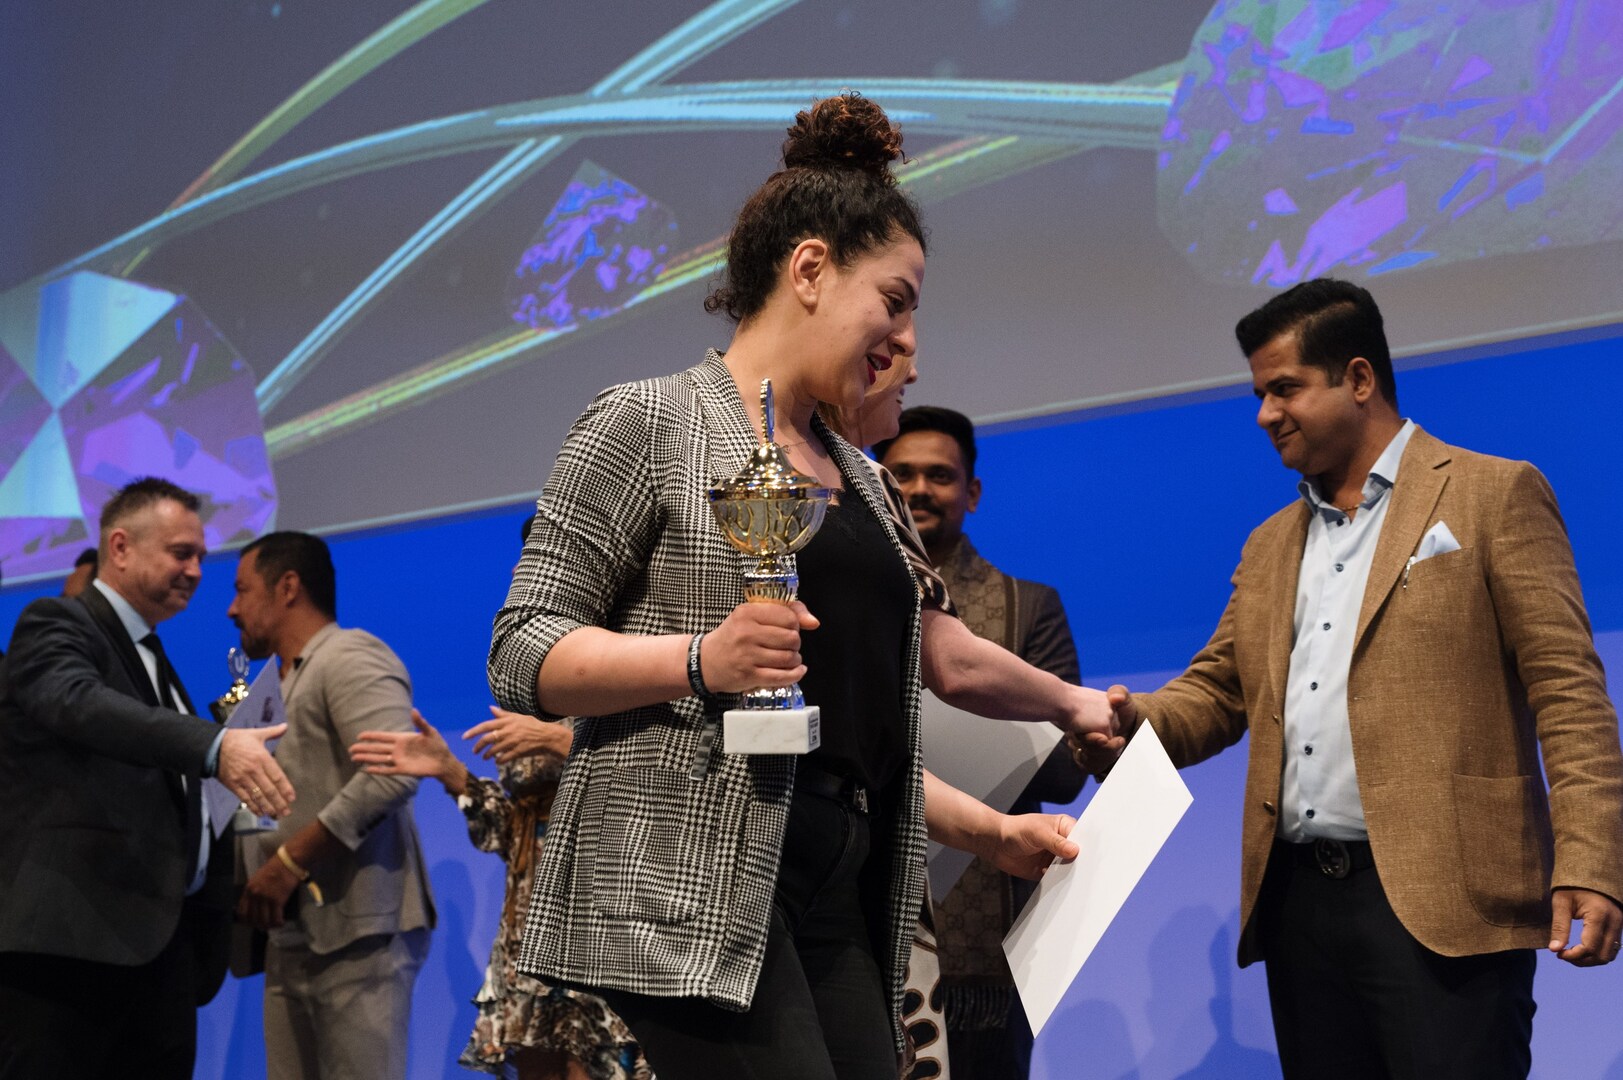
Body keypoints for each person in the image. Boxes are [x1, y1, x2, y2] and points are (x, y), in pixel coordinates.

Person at [490, 93, 1108, 1080]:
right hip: (689, 877)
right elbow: (523, 647)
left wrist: (1015, 796)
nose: (906, 338)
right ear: (810, 269)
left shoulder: (862, 476)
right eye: (894, 300)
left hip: (840, 878)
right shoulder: (647, 421)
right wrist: (703, 659)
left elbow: (924, 669)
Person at [1078, 279, 1623, 1079]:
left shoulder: (1491, 493)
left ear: (1358, 378)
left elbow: (1568, 692)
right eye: (1259, 395)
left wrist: (1590, 861)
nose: (1265, 414)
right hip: (1299, 907)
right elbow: (1218, 692)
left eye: (1284, 389)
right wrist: (1127, 723)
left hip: (1448, 901)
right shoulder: (1269, 543)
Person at [0, 476, 293, 1078]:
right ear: (120, 547)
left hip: (160, 956)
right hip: (73, 953)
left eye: (200, 557)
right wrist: (214, 746)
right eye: (181, 553)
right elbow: (78, 703)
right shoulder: (55, 622)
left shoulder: (153, 657)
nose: (196, 571)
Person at [875, 405, 1084, 1079]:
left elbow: (1065, 770)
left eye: (940, 476)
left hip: (989, 930)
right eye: (901, 474)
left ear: (972, 492)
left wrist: (953, 703)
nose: (918, 489)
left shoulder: (1028, 606)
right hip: (861, 902)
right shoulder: (848, 600)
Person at [229, 530, 436, 1080]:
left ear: (287, 587)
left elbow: (394, 772)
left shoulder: (349, 655)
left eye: (242, 590)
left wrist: (287, 863)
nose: (231, 609)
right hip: (287, 934)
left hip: (359, 932)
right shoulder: (270, 686)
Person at [351, 708, 651, 1080]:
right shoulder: (523, 699)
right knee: (538, 1065)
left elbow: (650, 790)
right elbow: (518, 834)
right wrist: (451, 772)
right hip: (531, 926)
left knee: (604, 1060)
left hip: (602, 915)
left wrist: (557, 740)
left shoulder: (618, 695)